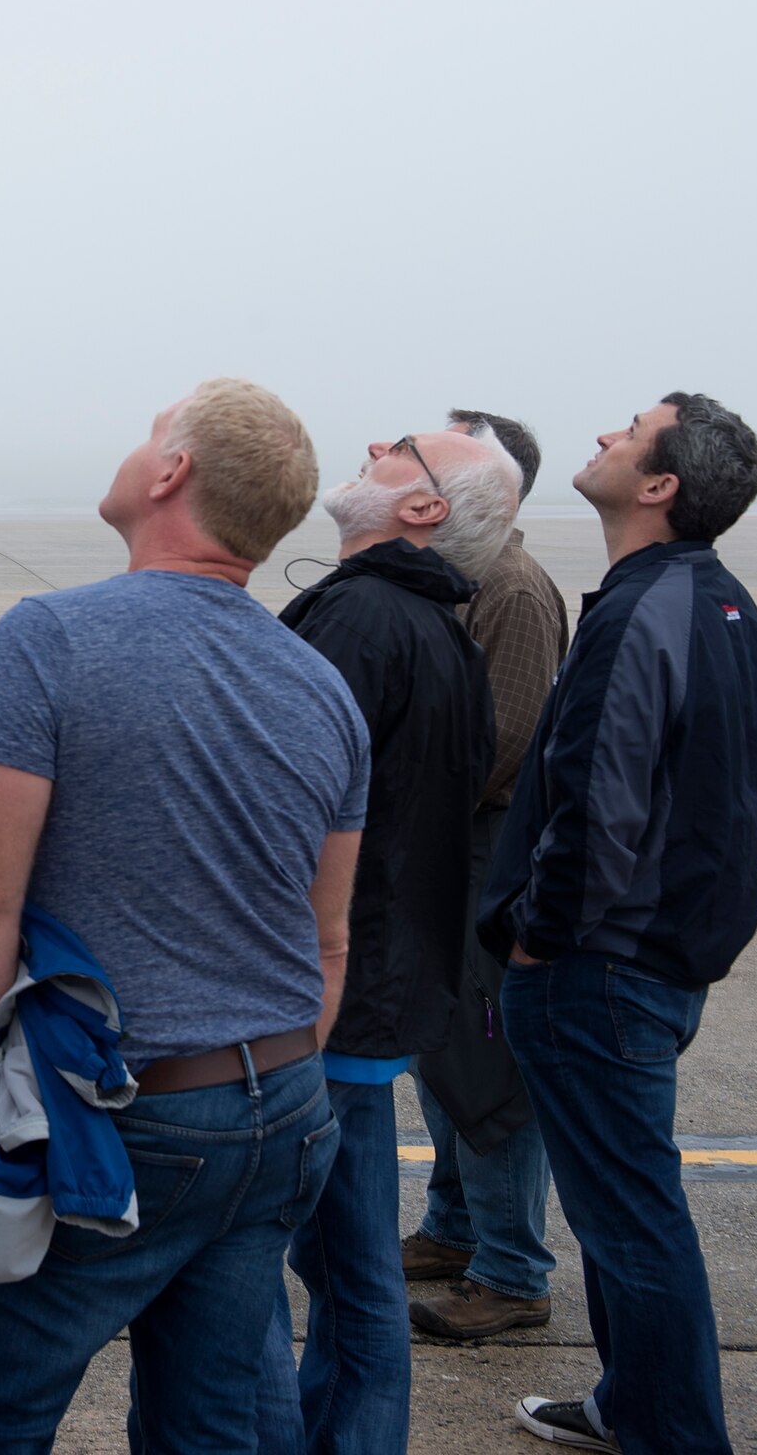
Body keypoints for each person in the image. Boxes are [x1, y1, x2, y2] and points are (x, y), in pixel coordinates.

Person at [0, 381, 368, 1452]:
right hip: (280, 1108)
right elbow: (327, 936)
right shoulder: (318, 685)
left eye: (151, 434)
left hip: (122, 1112)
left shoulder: (51, 637)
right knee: (211, 1424)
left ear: (169, 475)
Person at [484, 395, 757, 1455]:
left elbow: (596, 804)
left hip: (595, 965)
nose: (605, 434)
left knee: (631, 1214)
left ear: (658, 485)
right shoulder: (719, 600)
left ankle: (673, 1431)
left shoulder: (641, 607)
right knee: (616, 1201)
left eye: (628, 431)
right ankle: (632, 1402)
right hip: (659, 956)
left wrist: (536, 933)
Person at [257, 427, 517, 1455]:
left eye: (400, 447)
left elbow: (280, 808)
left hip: (335, 1000)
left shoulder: (364, 618)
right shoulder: (420, 619)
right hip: (373, 986)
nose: (369, 442)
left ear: (419, 510)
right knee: (344, 1263)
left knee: (343, 1270)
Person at [404, 410, 570, 1341]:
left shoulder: (509, 586)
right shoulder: (463, 577)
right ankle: (454, 1228)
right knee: (443, 1055)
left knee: (487, 1069)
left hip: (483, 854)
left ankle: (512, 1271)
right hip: (446, 852)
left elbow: (501, 747)